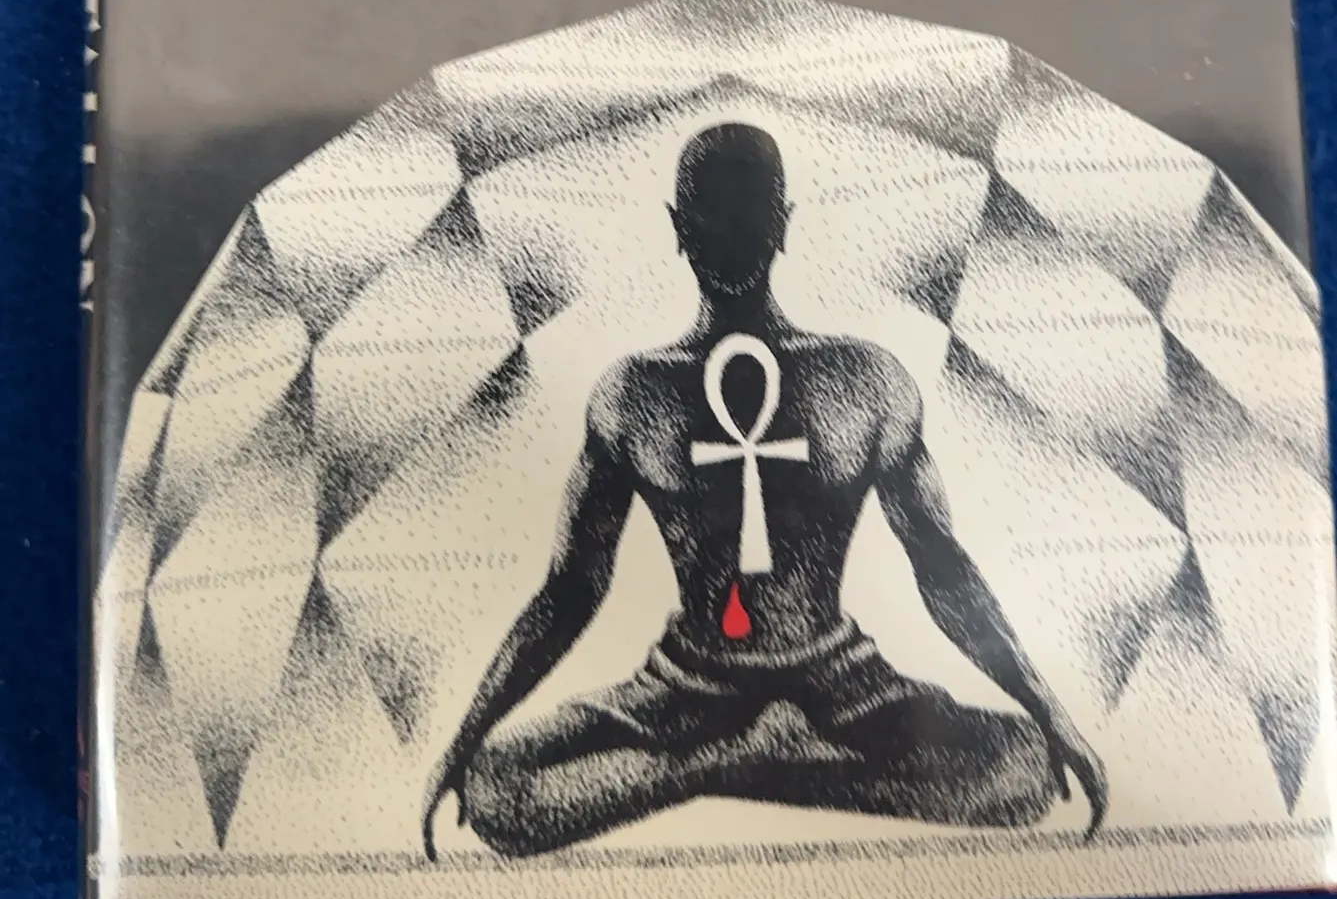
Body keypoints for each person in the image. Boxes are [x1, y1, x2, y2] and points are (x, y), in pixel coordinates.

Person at [423, 121, 1106, 860]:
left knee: (1021, 768)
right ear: (679, 228)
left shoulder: (868, 380)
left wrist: (1051, 713)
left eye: (747, 212)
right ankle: (753, 757)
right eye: (711, 214)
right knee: (498, 791)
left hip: (844, 679)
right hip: (681, 686)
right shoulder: (631, 393)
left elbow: (941, 567)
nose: (730, 234)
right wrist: (464, 738)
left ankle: (714, 767)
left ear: (781, 224)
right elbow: (570, 590)